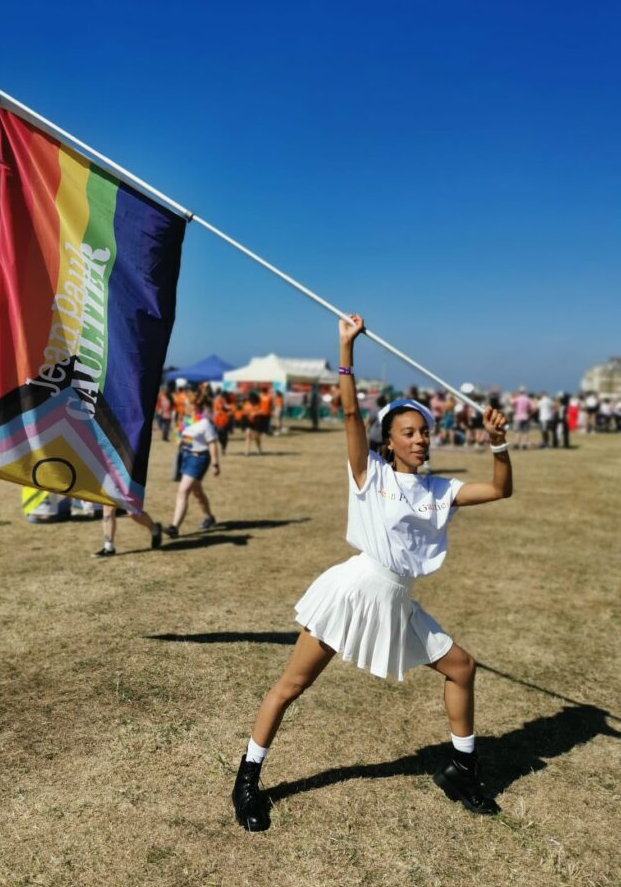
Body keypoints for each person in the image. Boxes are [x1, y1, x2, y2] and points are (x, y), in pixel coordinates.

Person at [231, 315, 513, 831]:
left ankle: (463, 770)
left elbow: (499, 490)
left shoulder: (438, 491)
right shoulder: (370, 474)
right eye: (409, 432)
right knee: (291, 687)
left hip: (399, 601)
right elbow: (349, 415)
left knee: (461, 668)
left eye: (425, 431)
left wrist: (498, 444)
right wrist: (345, 350)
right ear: (389, 441)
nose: (421, 439)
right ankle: (247, 777)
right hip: (354, 591)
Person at [163, 398, 220, 537]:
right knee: (197, 492)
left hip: (199, 459)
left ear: (195, 407)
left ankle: (174, 527)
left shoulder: (204, 423)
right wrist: (180, 441)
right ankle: (209, 517)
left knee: (183, 491)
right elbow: (181, 437)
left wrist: (215, 464)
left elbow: (212, 443)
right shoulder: (187, 421)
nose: (185, 407)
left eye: (187, 405)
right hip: (186, 457)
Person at [92, 504, 163, 557]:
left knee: (132, 511)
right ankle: (108, 547)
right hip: (111, 484)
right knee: (108, 507)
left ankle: (155, 528)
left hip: (130, 484)